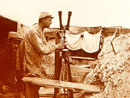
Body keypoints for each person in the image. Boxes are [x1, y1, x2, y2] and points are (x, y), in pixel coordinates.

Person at [22, 12, 63, 78]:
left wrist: (57, 47)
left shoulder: (40, 31)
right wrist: (56, 46)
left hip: (35, 67)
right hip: (30, 68)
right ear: (43, 20)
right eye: (49, 20)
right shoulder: (33, 31)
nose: (51, 22)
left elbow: (46, 44)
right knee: (31, 87)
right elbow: (43, 49)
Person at [0, 31, 22, 97]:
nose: (16, 46)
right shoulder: (2, 55)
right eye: (14, 43)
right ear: (8, 42)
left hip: (11, 87)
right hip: (4, 88)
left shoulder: (13, 55)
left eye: (18, 44)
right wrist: (1, 85)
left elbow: (14, 72)